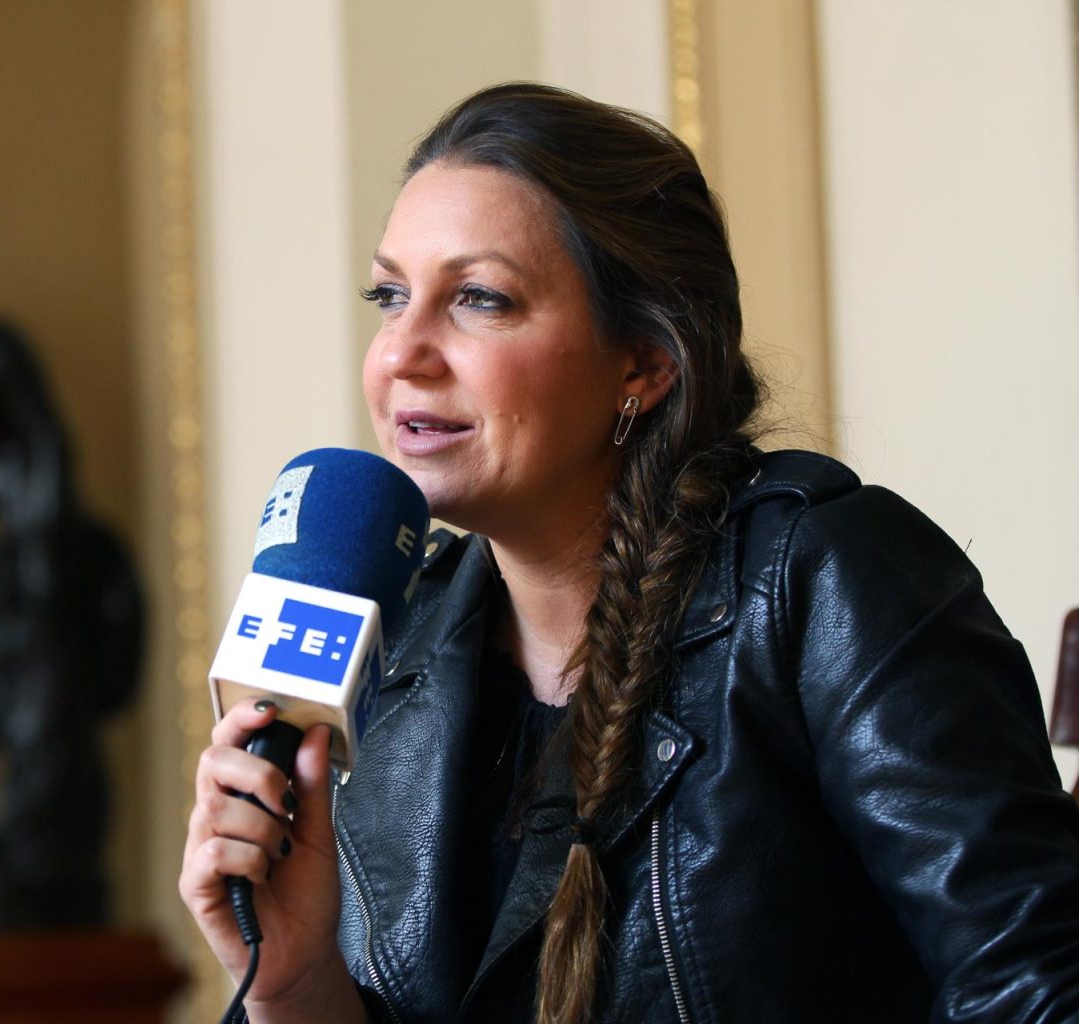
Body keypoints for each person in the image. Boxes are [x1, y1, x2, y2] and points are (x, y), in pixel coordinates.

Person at [179, 82, 1079, 1023]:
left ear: (645, 362)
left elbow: (1038, 991)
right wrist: (293, 985)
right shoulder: (399, 645)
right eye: (390, 295)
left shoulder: (826, 581)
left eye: (479, 299)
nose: (403, 351)